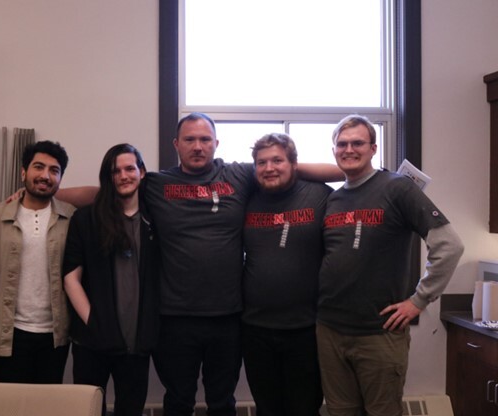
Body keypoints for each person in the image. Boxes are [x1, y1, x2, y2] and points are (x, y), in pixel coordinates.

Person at [56, 112, 342, 415]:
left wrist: (357, 171)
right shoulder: (156, 183)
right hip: (175, 318)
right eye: (190, 140)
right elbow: (102, 192)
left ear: (216, 143)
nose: (198, 146)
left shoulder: (240, 175)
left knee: (222, 401)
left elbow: (294, 169)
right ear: (176, 144)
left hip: (228, 317)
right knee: (179, 400)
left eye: (205, 139)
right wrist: (48, 194)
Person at [317, 115, 464, 416]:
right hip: (330, 330)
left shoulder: (397, 188)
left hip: (379, 333)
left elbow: (449, 245)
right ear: (333, 151)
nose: (349, 149)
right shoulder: (333, 200)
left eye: (357, 143)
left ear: (373, 148)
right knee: (340, 411)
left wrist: (419, 300)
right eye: (341, 144)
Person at [62, 143, 159, 416]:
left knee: (131, 409)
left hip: (137, 342)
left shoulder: (156, 218)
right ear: (108, 176)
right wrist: (92, 320)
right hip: (92, 340)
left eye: (130, 168)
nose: (124, 176)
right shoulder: (86, 219)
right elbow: (71, 277)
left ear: (141, 172)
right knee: (88, 409)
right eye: (115, 171)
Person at [241, 133, 331, 416]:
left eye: (277, 160)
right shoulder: (247, 198)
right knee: (267, 409)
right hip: (255, 328)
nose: (269, 168)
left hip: (306, 329)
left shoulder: (320, 195)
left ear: (294, 163)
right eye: (261, 162)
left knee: (303, 408)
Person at [0, 140, 76, 383]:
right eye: (38, 167)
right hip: (8, 332)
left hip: (54, 333)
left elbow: (99, 194)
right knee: (10, 405)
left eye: (54, 171)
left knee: (46, 404)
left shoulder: (71, 217)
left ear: (61, 178)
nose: (45, 175)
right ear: (23, 172)